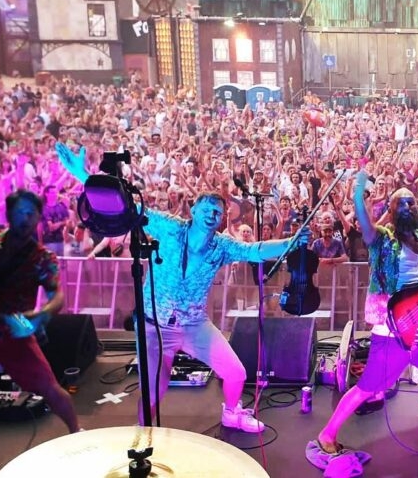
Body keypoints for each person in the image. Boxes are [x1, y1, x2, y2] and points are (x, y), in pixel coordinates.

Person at [55, 143, 300, 433]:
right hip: (154, 325)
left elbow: (255, 250)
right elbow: (128, 208)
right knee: (153, 391)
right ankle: (144, 433)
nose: (212, 213)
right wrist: (82, 175)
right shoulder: (170, 228)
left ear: (222, 219)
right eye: (207, 208)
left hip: (194, 325)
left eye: (217, 211)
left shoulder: (223, 246)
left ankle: (232, 412)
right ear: (194, 210)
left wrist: (289, 243)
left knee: (236, 373)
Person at [313, 169, 418, 458]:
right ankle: (327, 432)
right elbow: (364, 222)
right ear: (391, 210)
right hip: (392, 326)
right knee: (368, 387)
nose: (408, 206)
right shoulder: (380, 238)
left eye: (411, 202)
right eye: (401, 203)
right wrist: (358, 193)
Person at [0, 189, 80, 434]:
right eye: (20, 213)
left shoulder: (43, 258)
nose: (25, 219)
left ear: (39, 217)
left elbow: (57, 295)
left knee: (51, 388)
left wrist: (42, 314)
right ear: (9, 214)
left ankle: (76, 433)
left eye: (31, 214)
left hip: (13, 337)